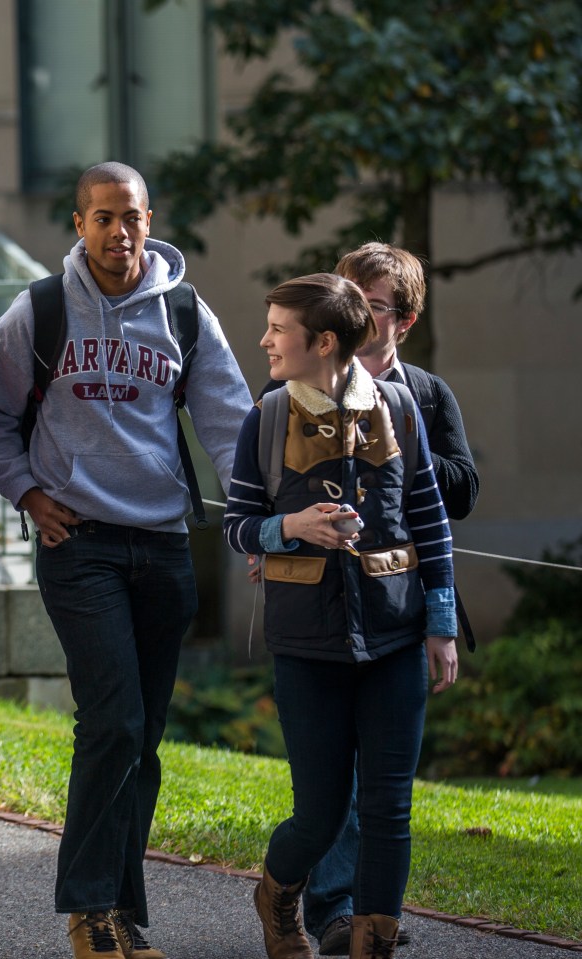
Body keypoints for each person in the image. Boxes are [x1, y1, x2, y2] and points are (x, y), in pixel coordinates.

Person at [0, 161, 251, 959]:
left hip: (164, 546)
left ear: (149, 219)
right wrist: (26, 492)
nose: (119, 231)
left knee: (144, 734)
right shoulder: (42, 311)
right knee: (113, 719)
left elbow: (231, 427)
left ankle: (120, 915)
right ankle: (88, 909)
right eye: (102, 217)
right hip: (78, 544)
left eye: (131, 216)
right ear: (78, 223)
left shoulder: (188, 314)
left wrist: (254, 525)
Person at [223, 273, 458, 959]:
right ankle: (277, 891)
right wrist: (290, 524)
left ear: (322, 340)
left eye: (277, 328)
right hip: (306, 644)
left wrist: (439, 622)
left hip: (396, 634)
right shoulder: (263, 418)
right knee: (321, 813)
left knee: (389, 808)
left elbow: (430, 521)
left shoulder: (401, 410)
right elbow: (237, 525)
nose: (265, 338)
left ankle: (372, 945)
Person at [300, 243, 479, 955]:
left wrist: (398, 435)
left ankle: (374, 915)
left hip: (400, 606)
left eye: (368, 302)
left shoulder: (427, 395)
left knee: (384, 776)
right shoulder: (303, 385)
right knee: (330, 772)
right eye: (344, 295)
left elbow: (461, 491)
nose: (350, 310)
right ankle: (332, 909)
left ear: (400, 320)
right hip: (322, 604)